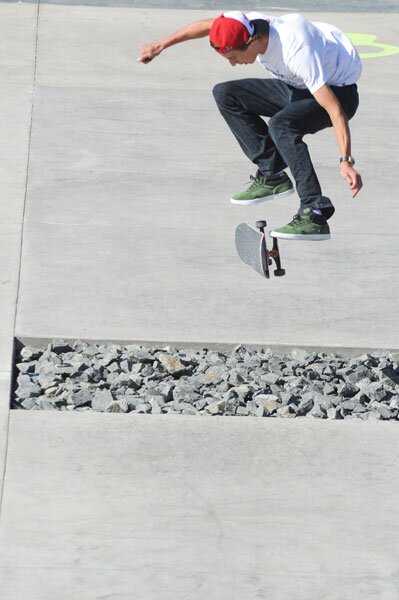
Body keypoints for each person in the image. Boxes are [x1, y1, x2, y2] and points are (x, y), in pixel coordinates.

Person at [138, 11, 363, 240]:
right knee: (226, 93)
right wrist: (161, 44)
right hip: (296, 87)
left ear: (250, 42)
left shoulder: (296, 50)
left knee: (281, 126)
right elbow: (207, 25)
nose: (234, 64)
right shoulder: (246, 24)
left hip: (338, 92)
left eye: (234, 57)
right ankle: (273, 173)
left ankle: (314, 210)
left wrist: (346, 161)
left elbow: (336, 110)